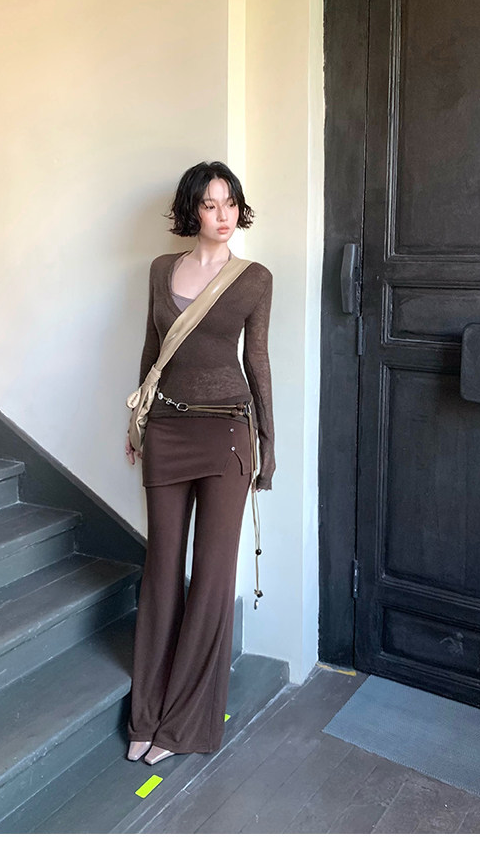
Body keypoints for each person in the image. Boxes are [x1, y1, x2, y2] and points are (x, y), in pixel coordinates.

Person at [124, 161, 275, 766]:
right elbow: (151, 349)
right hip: (166, 427)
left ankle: (184, 724)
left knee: (211, 578)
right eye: (210, 205)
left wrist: (269, 443)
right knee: (162, 568)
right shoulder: (161, 269)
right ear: (192, 210)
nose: (223, 215)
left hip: (229, 437)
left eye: (230, 203)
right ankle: (146, 714)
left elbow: (257, 360)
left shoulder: (254, 278)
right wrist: (137, 424)